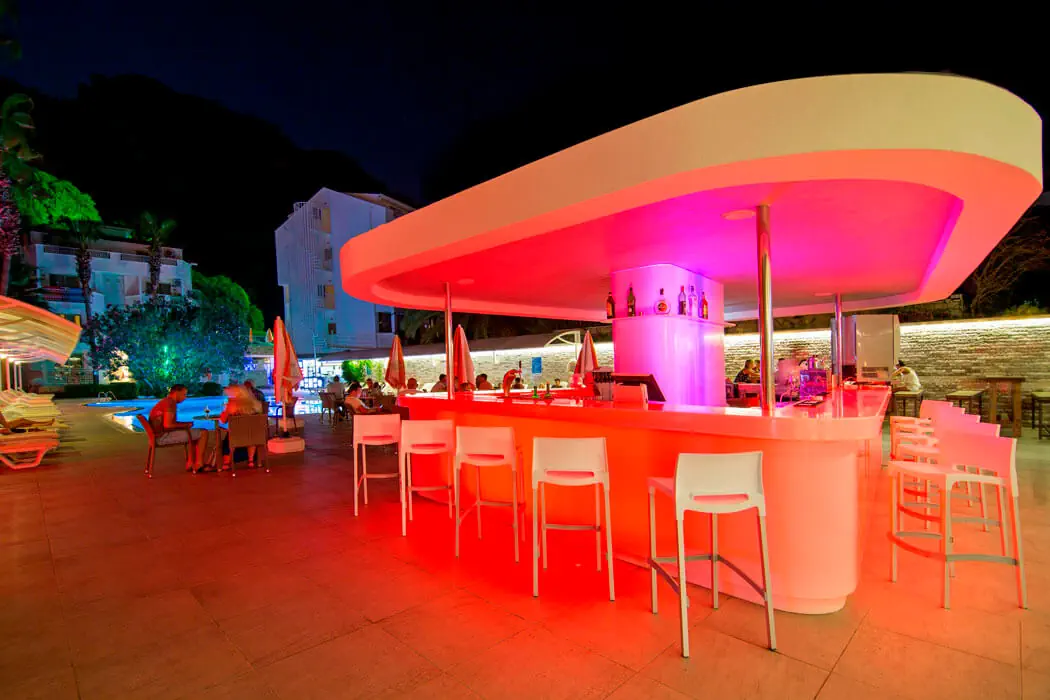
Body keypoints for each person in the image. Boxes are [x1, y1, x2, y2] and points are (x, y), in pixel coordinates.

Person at [148, 384, 209, 472]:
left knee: (193, 433)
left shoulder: (165, 401)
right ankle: (199, 464)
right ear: (177, 393)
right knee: (203, 432)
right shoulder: (170, 403)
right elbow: (168, 425)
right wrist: (185, 425)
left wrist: (185, 425)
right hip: (162, 437)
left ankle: (190, 463)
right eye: (184, 394)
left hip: (156, 436)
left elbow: (168, 424)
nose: (185, 397)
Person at [218, 385, 263, 468]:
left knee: (229, 436)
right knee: (250, 433)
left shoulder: (232, 404)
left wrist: (225, 410)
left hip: (236, 437)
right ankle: (251, 460)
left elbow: (223, 420)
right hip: (254, 436)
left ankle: (226, 462)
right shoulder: (255, 403)